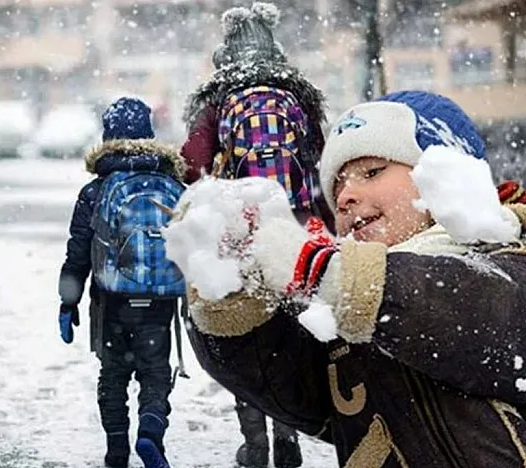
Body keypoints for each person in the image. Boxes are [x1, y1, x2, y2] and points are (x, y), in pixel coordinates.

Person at [183, 90, 526, 466]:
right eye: (338, 185)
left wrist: (324, 272)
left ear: (447, 176)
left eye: (372, 172)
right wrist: (231, 289)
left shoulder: (507, 260)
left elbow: (462, 308)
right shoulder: (347, 311)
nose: (345, 196)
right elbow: (283, 381)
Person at [179, 3, 331, 466]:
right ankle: (289, 434)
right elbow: (322, 160)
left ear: (227, 54)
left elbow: (192, 163)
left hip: (240, 228)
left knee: (246, 330)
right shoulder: (299, 98)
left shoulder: (217, 99)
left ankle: (256, 442)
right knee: (291, 330)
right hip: (298, 226)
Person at [57, 97, 187, 468]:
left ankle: (117, 449)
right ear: (149, 134)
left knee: (112, 375)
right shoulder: (170, 182)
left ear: (108, 136)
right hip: (160, 301)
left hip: (111, 301)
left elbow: (78, 253)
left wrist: (68, 302)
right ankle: (150, 433)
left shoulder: (95, 191)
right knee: (155, 373)